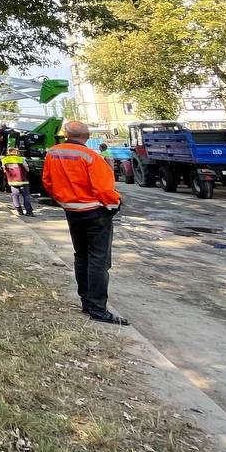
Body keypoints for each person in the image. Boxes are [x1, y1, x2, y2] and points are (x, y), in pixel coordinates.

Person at [41, 119, 128, 325]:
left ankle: (87, 302)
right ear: (88, 137)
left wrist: (64, 199)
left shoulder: (52, 153)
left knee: (81, 256)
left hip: (72, 212)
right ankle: (98, 309)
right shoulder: (90, 156)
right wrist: (114, 204)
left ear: (65, 135)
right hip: (95, 213)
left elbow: (47, 182)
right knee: (98, 260)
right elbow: (104, 188)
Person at [3, 150, 33, 216]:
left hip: (12, 182)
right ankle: (29, 212)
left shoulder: (4, 160)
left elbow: (5, 171)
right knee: (26, 196)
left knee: (15, 196)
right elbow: (27, 169)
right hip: (23, 181)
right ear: (16, 153)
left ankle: (19, 211)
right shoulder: (21, 159)